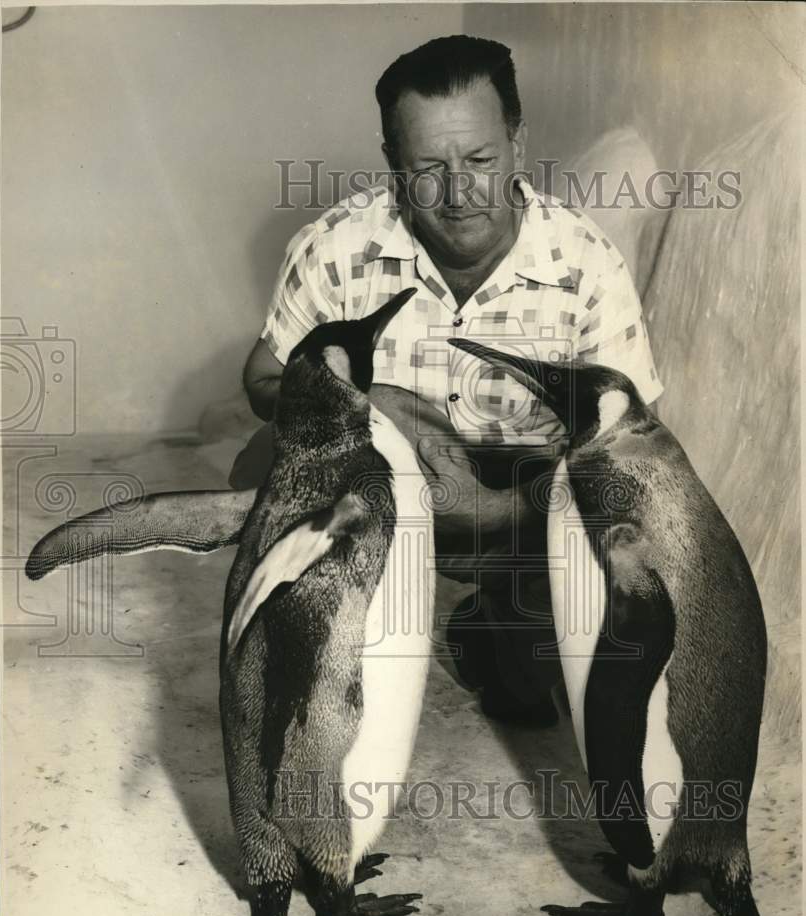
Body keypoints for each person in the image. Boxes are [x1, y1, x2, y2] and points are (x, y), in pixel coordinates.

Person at [229, 35, 663, 724]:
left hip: (523, 504)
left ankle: (489, 631)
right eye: (429, 167)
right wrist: (369, 407)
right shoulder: (336, 245)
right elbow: (263, 381)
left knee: (536, 685)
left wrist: (512, 510)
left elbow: (633, 443)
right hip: (372, 490)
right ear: (393, 164)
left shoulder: (587, 262)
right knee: (264, 477)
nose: (458, 193)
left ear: (518, 144)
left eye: (480, 160)